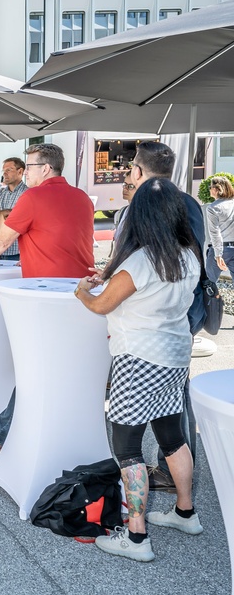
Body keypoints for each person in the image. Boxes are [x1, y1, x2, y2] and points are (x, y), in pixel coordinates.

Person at [75, 178, 203, 562]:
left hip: (138, 358)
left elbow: (100, 306)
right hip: (176, 355)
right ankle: (185, 512)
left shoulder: (141, 260)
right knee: (172, 437)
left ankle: (136, 536)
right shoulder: (188, 255)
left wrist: (83, 290)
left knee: (127, 448)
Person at [0, 143, 94, 454]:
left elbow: (2, 240)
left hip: (46, 295)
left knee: (34, 366)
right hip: (81, 293)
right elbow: (62, 238)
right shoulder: (82, 197)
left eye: (28, 166)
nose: (24, 171)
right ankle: (52, 428)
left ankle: (2, 433)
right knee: (62, 365)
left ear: (45, 169)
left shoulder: (33, 196)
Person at [116, 141, 206, 495]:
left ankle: (165, 484)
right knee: (170, 406)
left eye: (130, 169)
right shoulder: (187, 202)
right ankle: (182, 496)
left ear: (137, 171)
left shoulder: (154, 205)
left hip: (157, 323)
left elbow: (158, 265)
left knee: (136, 434)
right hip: (173, 318)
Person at [0, 157, 27, 260]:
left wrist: (1, 214)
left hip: (18, 253)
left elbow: (20, 218)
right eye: (3, 170)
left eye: (9, 170)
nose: (4, 173)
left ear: (20, 171)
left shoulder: (28, 194)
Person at [205, 176, 234, 283]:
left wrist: (218, 255)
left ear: (216, 189)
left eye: (210, 187)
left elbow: (215, 232)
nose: (209, 189)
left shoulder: (213, 208)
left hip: (221, 249)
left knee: (208, 284)